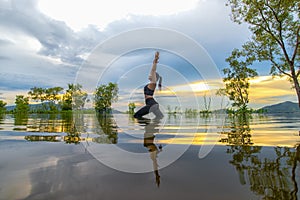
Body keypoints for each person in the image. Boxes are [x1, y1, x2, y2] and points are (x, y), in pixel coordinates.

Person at [134, 51, 164, 119]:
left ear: (154, 77)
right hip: (153, 105)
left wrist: (156, 60)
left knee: (136, 116)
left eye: (151, 75)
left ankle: (148, 125)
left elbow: (153, 70)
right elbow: (153, 71)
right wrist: (154, 61)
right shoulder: (151, 84)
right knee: (160, 117)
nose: (149, 75)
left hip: (152, 104)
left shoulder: (153, 83)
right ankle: (154, 128)